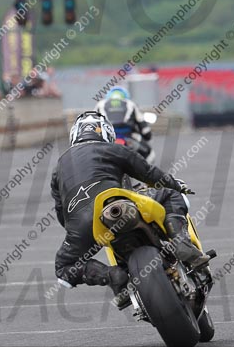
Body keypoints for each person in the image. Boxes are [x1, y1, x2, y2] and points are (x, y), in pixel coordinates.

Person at [51, 111, 208, 309]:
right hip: (119, 203)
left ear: (75, 135)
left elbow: (60, 210)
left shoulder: (59, 166)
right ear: (106, 133)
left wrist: (77, 232)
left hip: (83, 223)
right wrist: (176, 185)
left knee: (64, 266)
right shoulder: (111, 149)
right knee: (170, 195)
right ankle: (180, 242)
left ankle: (112, 275)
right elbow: (150, 174)